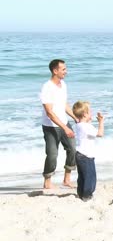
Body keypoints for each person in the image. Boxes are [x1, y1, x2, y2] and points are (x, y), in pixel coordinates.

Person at [40, 59, 78, 189]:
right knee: (52, 154)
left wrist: (75, 117)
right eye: (63, 69)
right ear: (55, 71)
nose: (66, 72)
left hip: (64, 123)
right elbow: (49, 113)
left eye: (65, 69)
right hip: (50, 126)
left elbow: (64, 104)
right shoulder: (47, 87)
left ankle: (66, 180)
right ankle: (47, 182)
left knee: (72, 149)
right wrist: (65, 128)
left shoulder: (63, 84)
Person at [72, 101, 104, 201]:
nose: (91, 113)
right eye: (90, 112)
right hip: (86, 155)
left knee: (82, 176)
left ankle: (81, 193)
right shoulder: (87, 127)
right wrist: (101, 122)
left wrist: (88, 120)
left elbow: (85, 127)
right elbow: (100, 134)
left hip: (79, 154)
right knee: (90, 176)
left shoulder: (78, 125)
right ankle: (87, 195)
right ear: (85, 114)